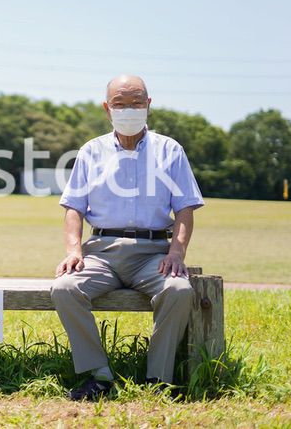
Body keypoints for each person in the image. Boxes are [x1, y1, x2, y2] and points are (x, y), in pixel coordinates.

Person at [50, 75, 205, 401]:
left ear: (148, 105)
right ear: (107, 108)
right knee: (64, 288)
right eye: (120, 104)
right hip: (101, 253)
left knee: (178, 290)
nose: (128, 110)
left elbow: (186, 210)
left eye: (136, 103)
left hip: (152, 254)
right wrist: (73, 250)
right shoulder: (91, 151)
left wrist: (177, 253)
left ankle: (157, 379)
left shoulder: (170, 150)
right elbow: (73, 208)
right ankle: (99, 377)